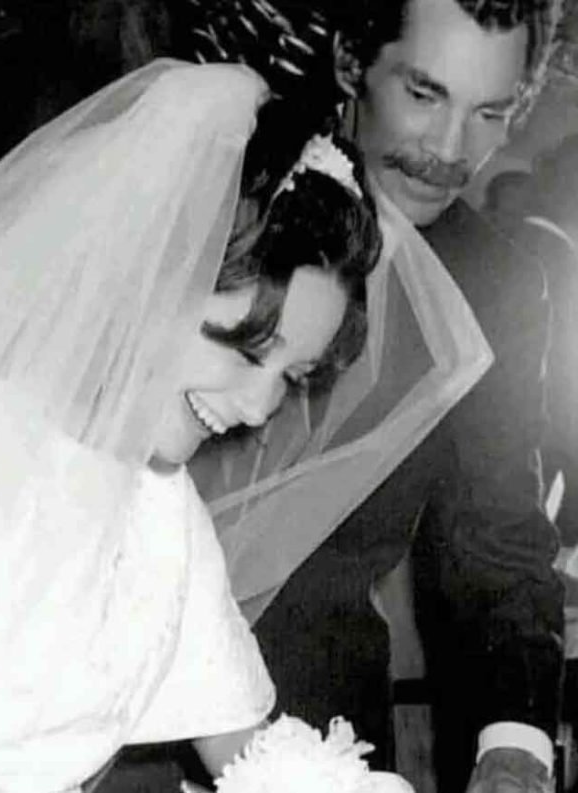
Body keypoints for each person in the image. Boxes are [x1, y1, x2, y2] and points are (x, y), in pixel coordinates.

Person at [0, 57, 384, 792]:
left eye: (292, 376)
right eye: (246, 349)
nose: (258, 407)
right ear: (148, 281)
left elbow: (245, 745)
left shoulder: (161, 512)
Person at [160, 2, 566, 793]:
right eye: (423, 94)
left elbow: (500, 542)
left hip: (319, 734)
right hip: (115, 731)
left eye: (489, 113)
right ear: (351, 62)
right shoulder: (217, 190)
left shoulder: (497, 285)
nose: (448, 150)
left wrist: (514, 747)